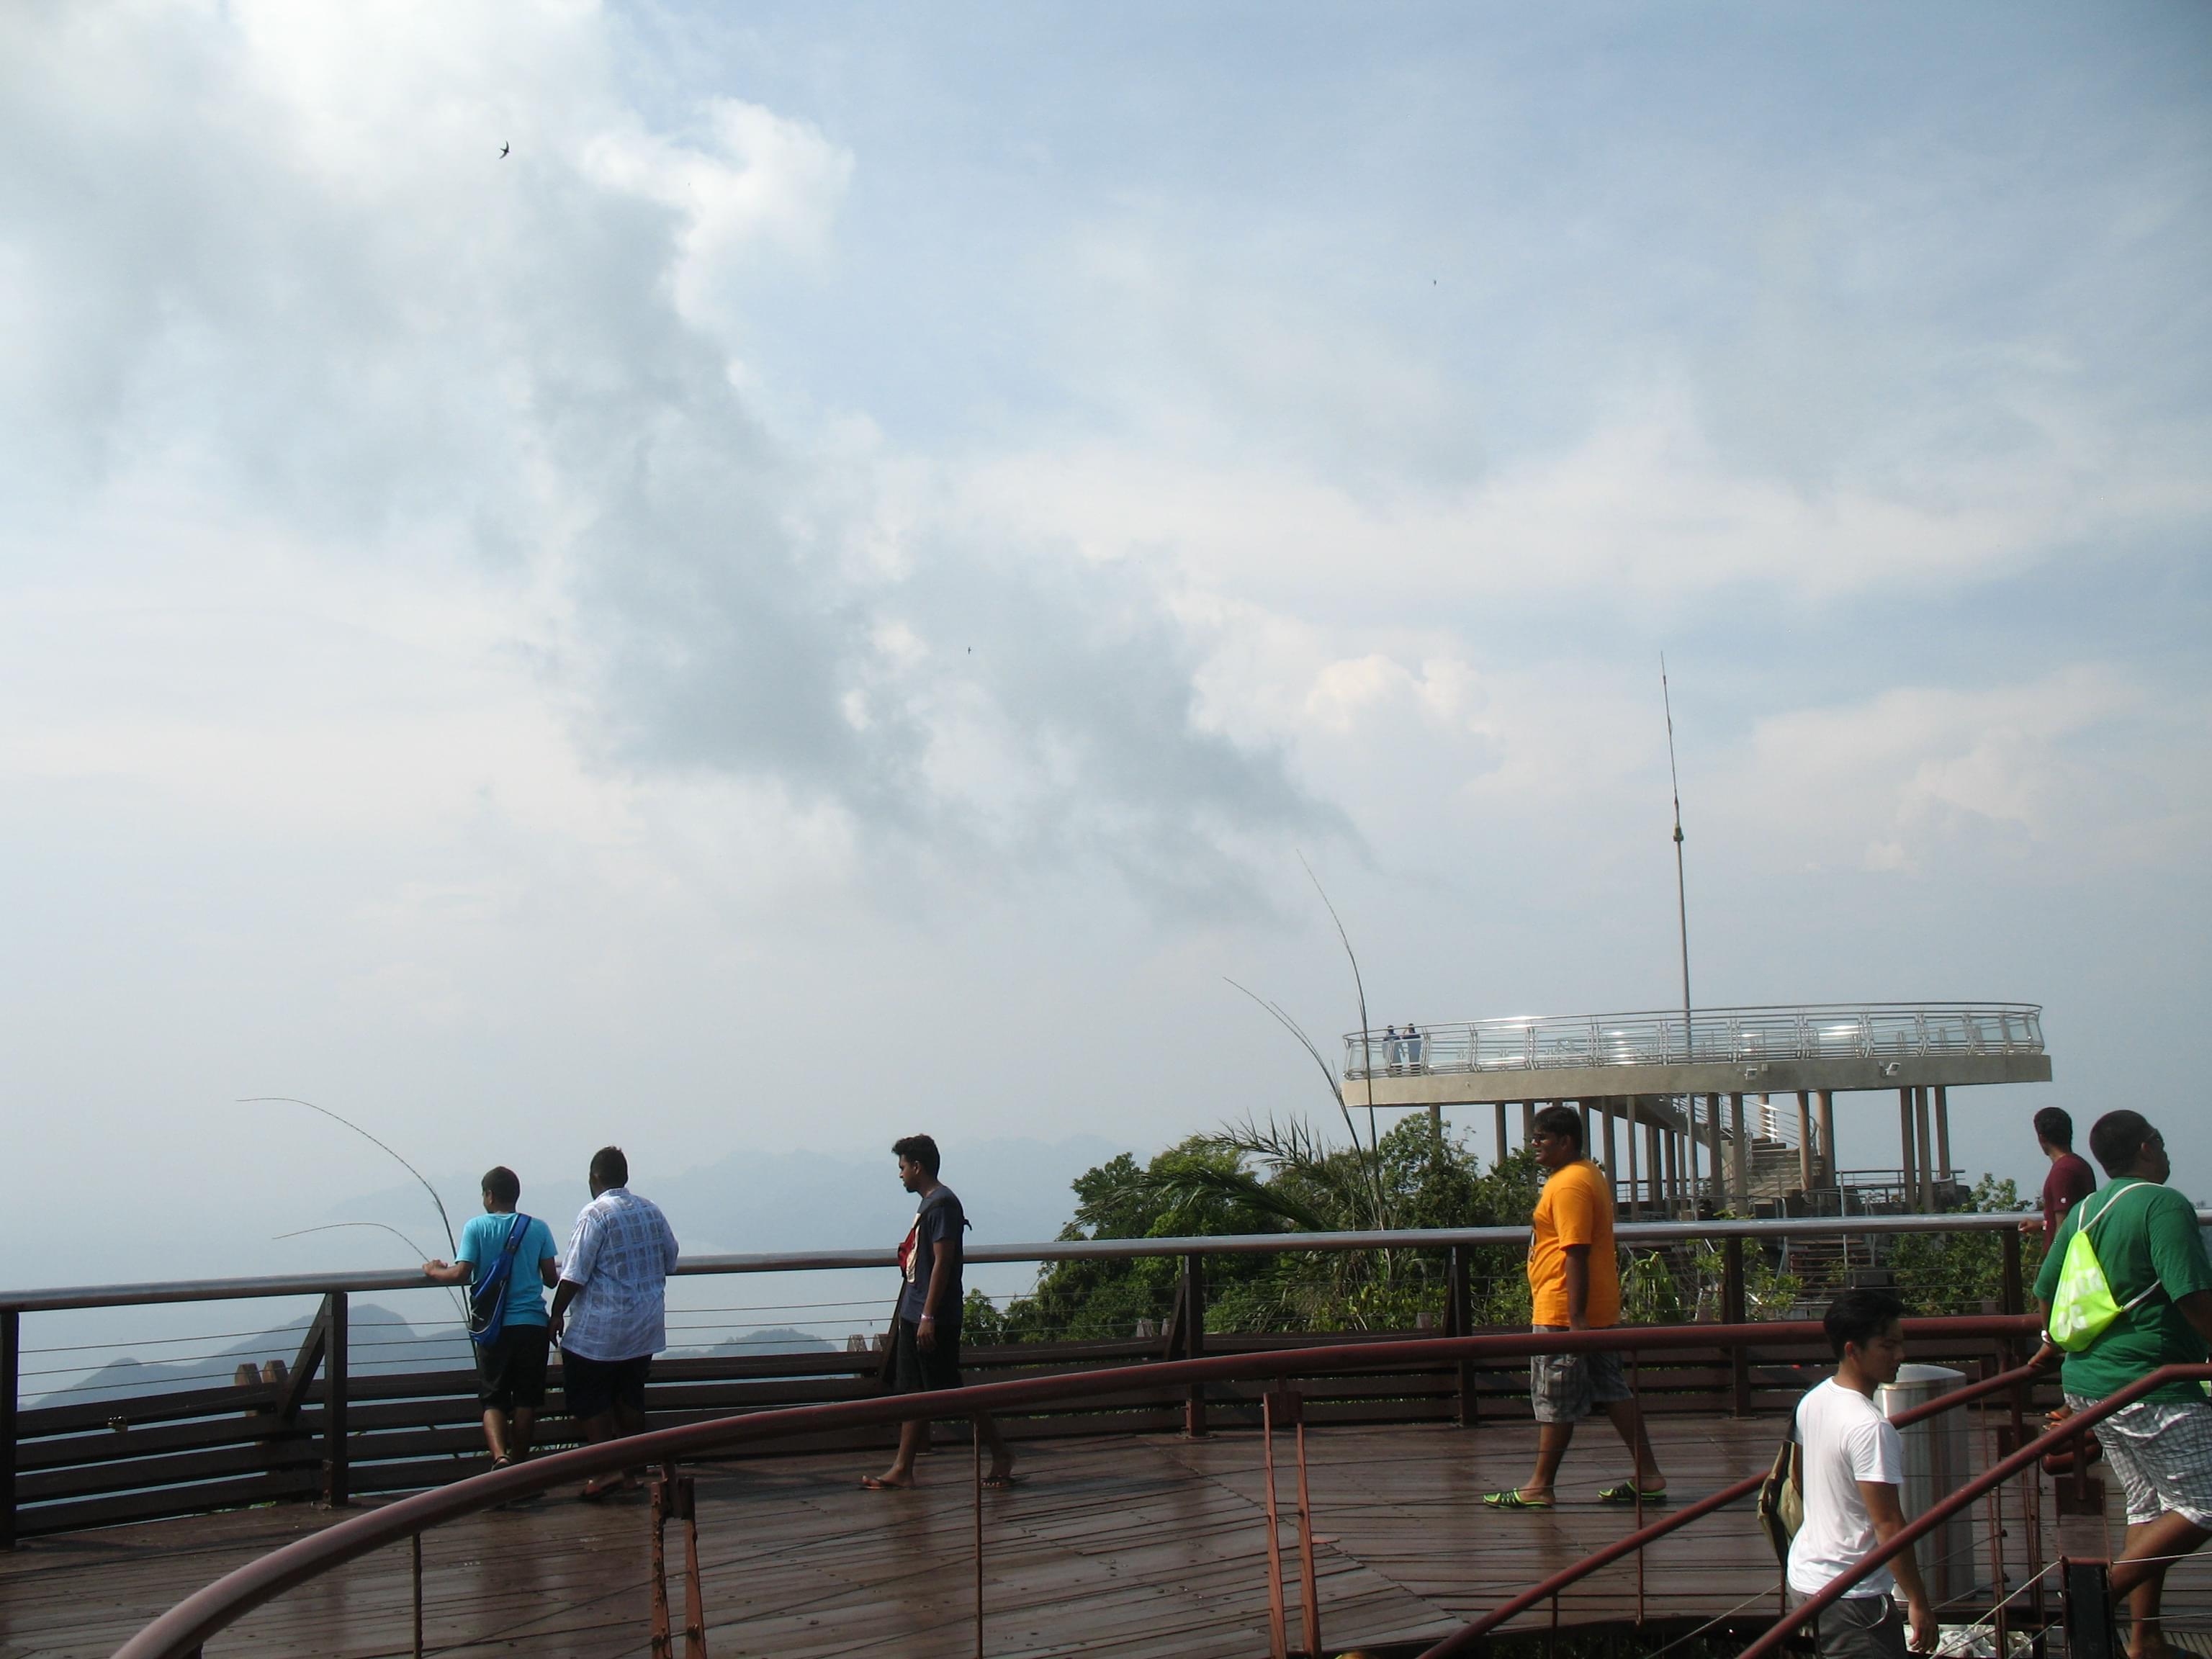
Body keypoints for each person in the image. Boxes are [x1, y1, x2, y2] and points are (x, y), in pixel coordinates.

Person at [2031, 1110, 2212, 1659]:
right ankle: (2094, 1599)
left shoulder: (2086, 1209)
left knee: (2149, 1506)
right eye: (2161, 1140)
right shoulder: (2164, 1204)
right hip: (2151, 1382)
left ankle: (2146, 1639)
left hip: (2089, 1382)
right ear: (2147, 1147)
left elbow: (2046, 1287)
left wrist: (2053, 1341)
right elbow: (2190, 1294)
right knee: (2206, 1505)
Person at [1485, 1104, 1665, 1509]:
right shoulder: (1589, 1175)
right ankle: (1649, 1474)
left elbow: (1575, 1250)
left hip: (1565, 1312)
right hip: (1592, 1309)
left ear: (1566, 1142)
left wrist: (1576, 1319)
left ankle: (1539, 1485)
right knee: (1612, 1389)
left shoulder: (1567, 1185)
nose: (1534, 1145)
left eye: (1542, 1139)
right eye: (1534, 1137)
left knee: (1553, 1396)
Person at [1787, 1288, 1936, 1658]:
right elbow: (1888, 1524)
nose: (1900, 1356)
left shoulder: (1815, 1399)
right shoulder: (1871, 1428)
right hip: (1853, 1593)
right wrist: (1918, 1601)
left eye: (1900, 1344)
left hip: (1806, 1576)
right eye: (1887, 1346)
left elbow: (1799, 1479)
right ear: (1853, 1350)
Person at [863, 1133, 1015, 1491]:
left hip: (934, 1317)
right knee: (915, 1391)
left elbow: (944, 1263)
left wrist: (929, 1316)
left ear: (918, 1167)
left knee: (952, 1391)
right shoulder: (930, 1204)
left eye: (902, 1167)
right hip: (915, 1313)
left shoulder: (943, 1205)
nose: (900, 1175)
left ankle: (1001, 1452)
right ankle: (903, 1468)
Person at [548, 1146, 679, 1501]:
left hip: (602, 1327)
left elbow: (574, 1273)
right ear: (626, 1176)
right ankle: (631, 1469)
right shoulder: (651, 1210)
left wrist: (556, 1312)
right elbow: (671, 1258)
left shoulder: (595, 1214)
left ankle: (605, 1470)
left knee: (587, 1391)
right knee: (630, 1393)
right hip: (645, 1324)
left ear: (594, 1178)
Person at [422, 1166, 560, 1470]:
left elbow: (461, 1273)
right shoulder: (538, 1228)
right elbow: (551, 1278)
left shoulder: (476, 1228)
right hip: (532, 1325)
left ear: (489, 1196)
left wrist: (432, 1270)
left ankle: (500, 1458)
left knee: (494, 1398)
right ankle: (521, 1468)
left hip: (492, 1328)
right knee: (527, 1400)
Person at [2019, 1106, 2098, 1250]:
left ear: (2041, 1138)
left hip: (2069, 1263)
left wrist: (2054, 1265)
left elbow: (2063, 1227)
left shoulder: (2063, 1171)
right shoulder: (2079, 1164)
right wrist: (2044, 1225)